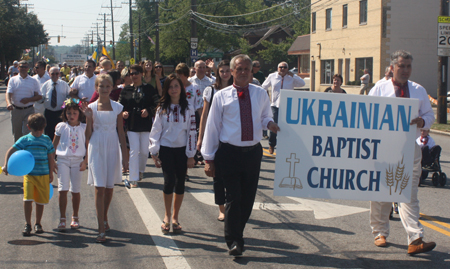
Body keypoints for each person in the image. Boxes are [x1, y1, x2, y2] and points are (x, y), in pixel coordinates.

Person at [201, 54, 279, 256]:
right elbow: (212, 128)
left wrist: (270, 124)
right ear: (232, 72)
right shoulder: (221, 96)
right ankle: (234, 240)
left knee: (247, 200)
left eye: (247, 68)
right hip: (229, 153)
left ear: (252, 71)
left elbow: (264, 116)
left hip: (252, 153)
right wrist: (208, 158)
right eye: (239, 69)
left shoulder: (260, 93)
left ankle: (237, 233)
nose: (243, 72)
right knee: (234, 198)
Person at [368, 50, 436, 254]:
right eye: (401, 66)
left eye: (408, 66)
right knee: (382, 192)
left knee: (409, 193)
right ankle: (379, 232)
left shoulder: (418, 90)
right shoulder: (380, 88)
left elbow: (429, 115)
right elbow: (367, 113)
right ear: (392, 67)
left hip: (409, 147)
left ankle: (415, 238)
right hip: (384, 147)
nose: (405, 70)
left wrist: (422, 121)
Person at [82, 74, 129, 243]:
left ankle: (104, 217)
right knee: (99, 187)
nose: (104, 89)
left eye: (107, 86)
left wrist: (125, 157)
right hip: (96, 147)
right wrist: (88, 119)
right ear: (96, 88)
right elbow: (88, 135)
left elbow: (121, 133)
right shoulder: (91, 108)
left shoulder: (117, 107)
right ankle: (100, 227)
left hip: (112, 146)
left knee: (109, 187)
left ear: (112, 88)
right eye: (101, 86)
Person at [149, 74, 197, 234]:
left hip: (182, 151)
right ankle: (167, 215)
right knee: (169, 181)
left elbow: (191, 132)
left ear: (181, 88)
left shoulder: (189, 108)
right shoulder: (161, 108)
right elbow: (155, 131)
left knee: (180, 183)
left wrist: (191, 155)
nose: (173, 89)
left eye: (176, 86)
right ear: (166, 89)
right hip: (166, 149)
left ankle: (176, 216)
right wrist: (154, 152)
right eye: (170, 87)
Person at [3, 113, 56, 236]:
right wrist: (6, 164)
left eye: (40, 130)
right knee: (27, 199)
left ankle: (38, 223)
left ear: (44, 127)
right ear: (28, 127)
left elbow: (50, 155)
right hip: (29, 175)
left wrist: (51, 170)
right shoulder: (25, 140)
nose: (38, 133)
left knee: (40, 201)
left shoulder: (46, 139)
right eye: (35, 130)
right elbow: (11, 150)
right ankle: (28, 224)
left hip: (43, 175)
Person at [197, 60, 233, 222]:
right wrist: (200, 137)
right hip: (215, 137)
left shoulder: (237, 90)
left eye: (227, 71)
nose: (225, 74)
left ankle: (232, 207)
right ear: (218, 73)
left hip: (232, 138)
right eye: (222, 71)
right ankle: (221, 209)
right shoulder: (210, 90)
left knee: (232, 176)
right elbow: (204, 115)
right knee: (218, 176)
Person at [119, 65, 160, 187]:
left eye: (136, 73)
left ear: (142, 74)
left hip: (146, 124)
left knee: (143, 151)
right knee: (134, 150)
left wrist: (148, 110)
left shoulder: (150, 89)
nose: (134, 76)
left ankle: (140, 171)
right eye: (131, 74)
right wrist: (123, 113)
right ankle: (133, 177)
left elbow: (157, 104)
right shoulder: (125, 90)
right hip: (132, 125)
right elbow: (119, 106)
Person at [53, 98, 87, 231]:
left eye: (74, 113)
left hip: (78, 161)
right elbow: (54, 145)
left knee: (76, 190)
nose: (71, 116)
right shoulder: (61, 126)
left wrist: (85, 161)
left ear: (79, 114)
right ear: (64, 113)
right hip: (62, 160)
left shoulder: (84, 127)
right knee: (62, 188)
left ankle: (75, 216)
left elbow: (88, 145)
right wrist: (52, 161)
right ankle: (62, 218)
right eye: (68, 113)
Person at [261, 61, 305, 154]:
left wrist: (293, 75)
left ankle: (285, 146)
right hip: (275, 105)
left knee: (287, 127)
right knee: (274, 125)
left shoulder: (291, 78)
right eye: (281, 67)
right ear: (277, 68)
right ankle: (272, 144)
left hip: (287, 105)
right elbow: (263, 87)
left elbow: (302, 83)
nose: (282, 69)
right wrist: (265, 98)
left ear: (288, 69)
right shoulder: (272, 76)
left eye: (285, 67)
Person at [6, 61, 43, 142]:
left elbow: (39, 96)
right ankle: (18, 152)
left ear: (28, 68)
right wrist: (9, 103)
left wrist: (28, 100)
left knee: (28, 132)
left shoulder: (33, 81)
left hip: (29, 110)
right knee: (17, 133)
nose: (23, 69)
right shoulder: (12, 80)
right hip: (16, 110)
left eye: (25, 67)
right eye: (21, 67)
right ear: (18, 68)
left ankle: (27, 150)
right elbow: (8, 93)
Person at [41, 67, 71, 142]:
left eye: (57, 73)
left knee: (61, 132)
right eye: (52, 74)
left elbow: (69, 96)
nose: (55, 75)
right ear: (49, 74)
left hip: (60, 113)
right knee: (49, 133)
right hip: (49, 113)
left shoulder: (64, 84)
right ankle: (50, 151)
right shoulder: (45, 85)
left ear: (59, 74)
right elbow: (41, 98)